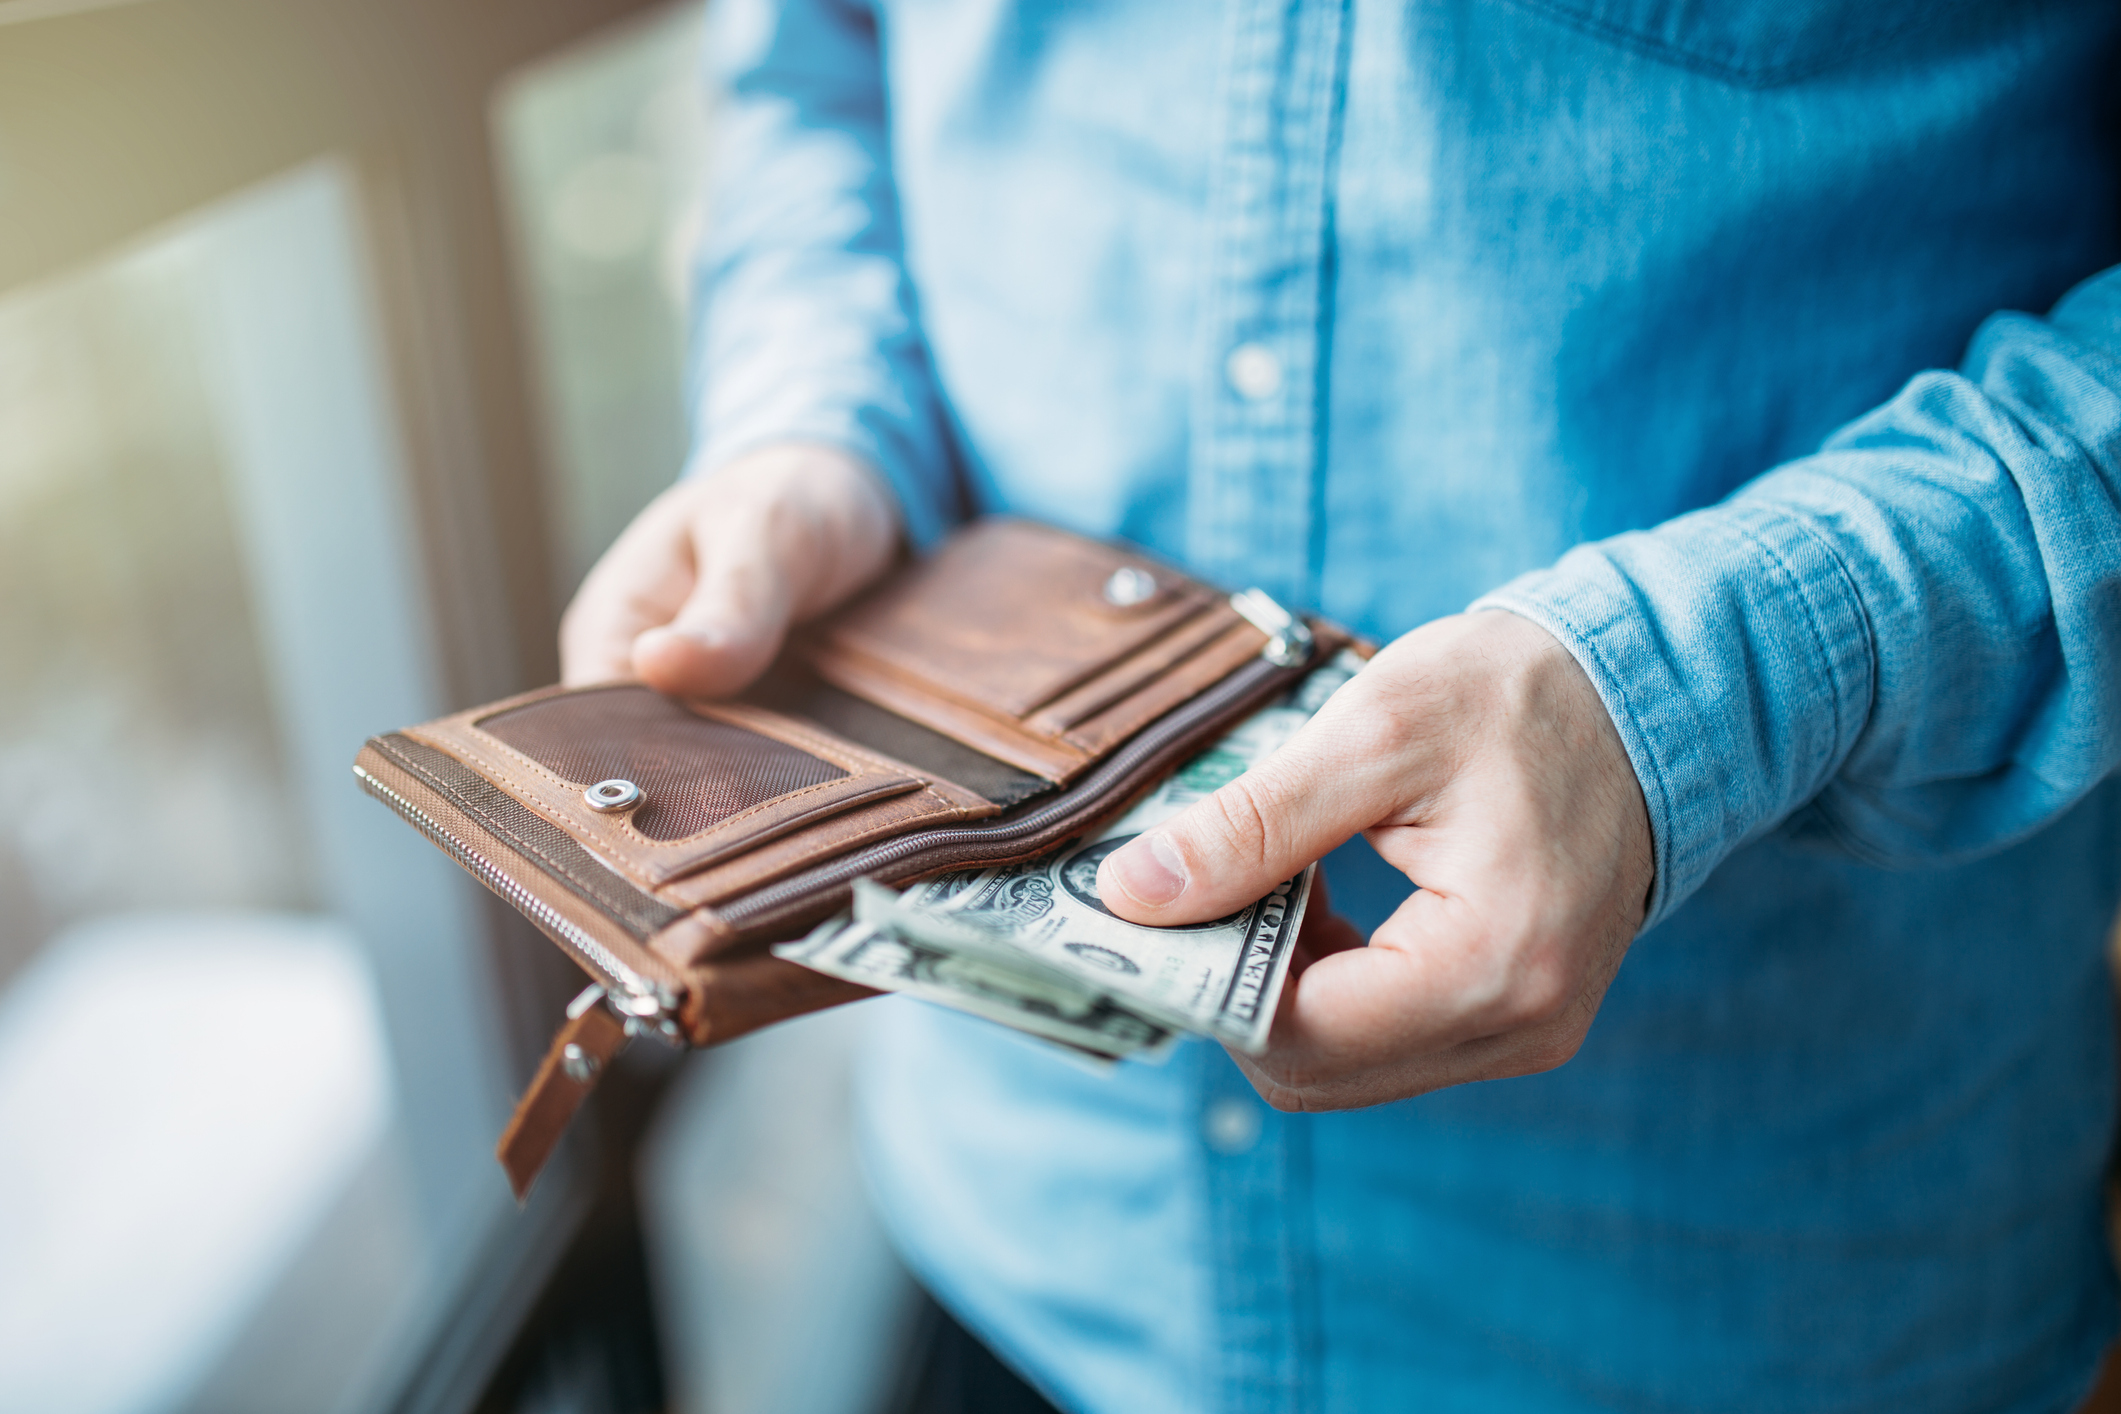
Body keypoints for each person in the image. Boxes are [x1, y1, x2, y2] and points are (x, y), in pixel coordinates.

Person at [560, 0, 2121, 1408]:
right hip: (1023, 1227)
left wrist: (1702, 688)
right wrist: (817, 419)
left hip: (1760, 1296)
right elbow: (808, 61)